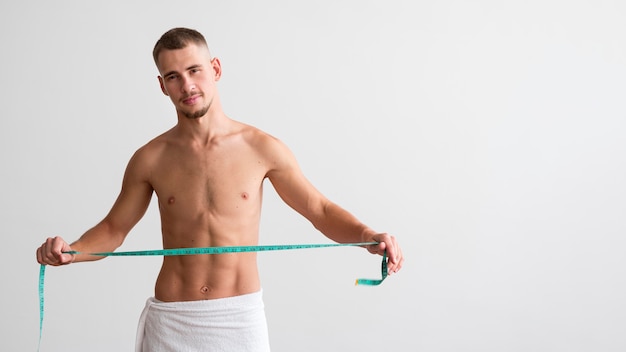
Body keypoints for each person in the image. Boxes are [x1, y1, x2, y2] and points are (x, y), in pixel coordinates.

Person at [36, 27, 403, 352]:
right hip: (172, 321)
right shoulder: (150, 159)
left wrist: (366, 235)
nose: (187, 85)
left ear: (215, 68)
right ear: (162, 86)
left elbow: (318, 210)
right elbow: (113, 230)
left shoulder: (261, 148)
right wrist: (72, 251)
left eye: (194, 70)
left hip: (238, 319)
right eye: (174, 76)